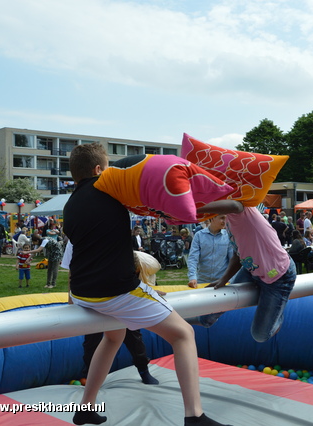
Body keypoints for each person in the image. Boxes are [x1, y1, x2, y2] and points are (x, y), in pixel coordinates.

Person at [63, 143, 228, 426]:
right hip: (116, 291)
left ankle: (85, 407)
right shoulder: (109, 190)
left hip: (82, 292)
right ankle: (194, 416)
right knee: (183, 334)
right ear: (100, 171)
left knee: (113, 337)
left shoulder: (71, 204)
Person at [192, 200, 297, 344]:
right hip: (251, 269)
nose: (221, 219)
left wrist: (193, 206)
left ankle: (277, 316)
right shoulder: (229, 222)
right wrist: (224, 279)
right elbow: (238, 253)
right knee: (207, 317)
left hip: (278, 275)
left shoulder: (244, 209)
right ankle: (183, 321)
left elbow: (235, 205)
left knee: (260, 335)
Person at [61, 241, 161, 386]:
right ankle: (89, 375)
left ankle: (143, 369)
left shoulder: (111, 230)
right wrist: (71, 298)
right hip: (92, 294)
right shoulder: (75, 239)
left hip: (117, 291)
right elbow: (72, 270)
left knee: (133, 335)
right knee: (92, 339)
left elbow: (129, 266)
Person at [187, 215, 233, 289]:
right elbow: (193, 259)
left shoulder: (228, 236)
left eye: (226, 218)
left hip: (222, 282)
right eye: (222, 218)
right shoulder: (199, 236)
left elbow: (232, 260)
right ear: (212, 218)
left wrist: (230, 279)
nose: (225, 221)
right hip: (202, 282)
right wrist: (193, 278)